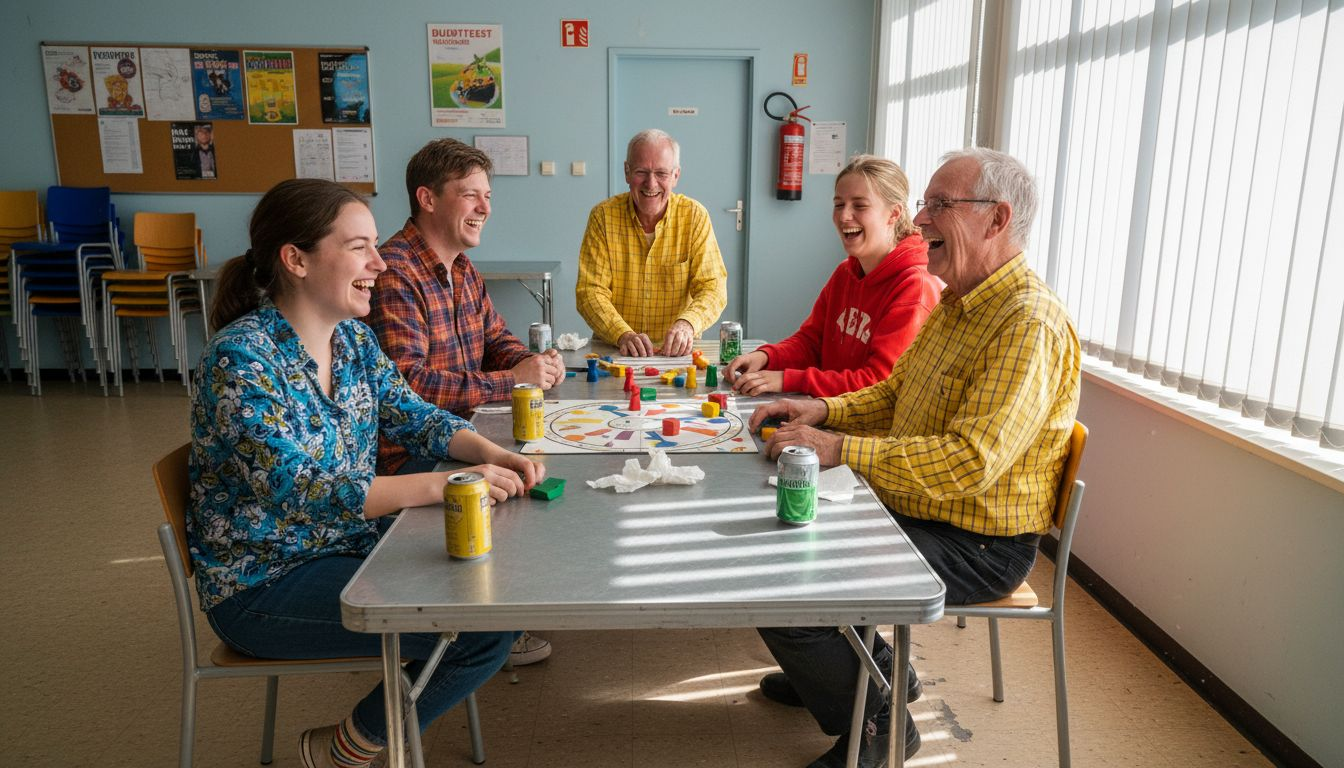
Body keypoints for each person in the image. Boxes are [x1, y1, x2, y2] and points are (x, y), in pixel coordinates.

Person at [190, 179, 542, 768]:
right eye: (359, 247)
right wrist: (447, 484)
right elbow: (306, 491)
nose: (379, 263)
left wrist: (493, 452)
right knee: (482, 632)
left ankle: (349, 742)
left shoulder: (352, 340)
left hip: (347, 546)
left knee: (495, 591)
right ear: (296, 259)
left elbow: (415, 418)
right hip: (264, 583)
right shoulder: (240, 359)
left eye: (376, 246)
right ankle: (345, 751)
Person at [748, 148, 1081, 767]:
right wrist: (822, 413)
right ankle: (851, 673)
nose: (921, 220)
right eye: (924, 203)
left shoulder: (1025, 322)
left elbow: (967, 462)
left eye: (939, 205)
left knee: (784, 578)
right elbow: (894, 392)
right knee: (780, 536)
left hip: (976, 540)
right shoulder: (957, 300)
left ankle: (879, 725)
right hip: (924, 506)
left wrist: (838, 448)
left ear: (997, 218)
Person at [365, 137, 559, 666]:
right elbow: (411, 386)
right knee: (521, 495)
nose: (485, 208)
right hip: (411, 457)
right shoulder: (397, 273)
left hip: (458, 432)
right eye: (470, 195)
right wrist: (512, 381)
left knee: (538, 466)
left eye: (488, 195)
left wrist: (532, 364)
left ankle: (499, 615)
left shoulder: (462, 268)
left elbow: (497, 339)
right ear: (428, 199)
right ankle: (488, 622)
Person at [724, 155, 941, 397]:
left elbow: (878, 384)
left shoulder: (915, 286)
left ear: (893, 214)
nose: (844, 216)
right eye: (839, 204)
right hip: (830, 411)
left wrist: (788, 379)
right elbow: (811, 342)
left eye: (859, 205)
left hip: (868, 429)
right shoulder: (845, 272)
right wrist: (766, 357)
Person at [576, 128, 727, 357]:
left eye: (661, 173)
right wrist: (623, 334)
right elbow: (590, 291)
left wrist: (687, 324)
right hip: (617, 350)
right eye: (641, 172)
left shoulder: (695, 216)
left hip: (677, 354)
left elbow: (713, 287)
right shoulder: (603, 217)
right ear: (627, 172)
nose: (651, 183)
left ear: (676, 176)